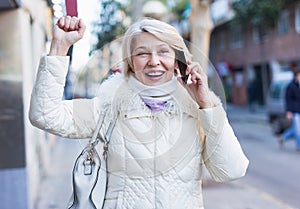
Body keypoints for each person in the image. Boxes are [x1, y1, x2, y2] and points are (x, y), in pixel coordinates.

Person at [29, 16, 249, 209]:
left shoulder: (197, 110)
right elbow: (46, 115)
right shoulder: (108, 105)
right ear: (131, 63)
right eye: (142, 53)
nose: (154, 61)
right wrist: (59, 47)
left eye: (164, 51)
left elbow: (231, 171)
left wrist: (207, 104)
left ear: (177, 60)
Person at [278, 68, 300, 152]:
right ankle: (299, 147)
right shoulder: (291, 86)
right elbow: (288, 100)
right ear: (296, 76)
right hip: (295, 111)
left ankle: (283, 137)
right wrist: (289, 111)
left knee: (296, 128)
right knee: (298, 130)